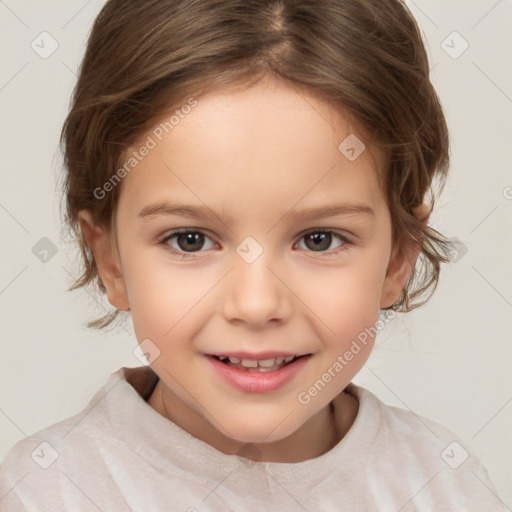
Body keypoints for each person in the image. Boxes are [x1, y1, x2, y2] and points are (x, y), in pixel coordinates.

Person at [0, 0, 506, 510]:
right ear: (111, 261)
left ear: (398, 258)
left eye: (319, 239)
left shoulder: (445, 485)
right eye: (190, 240)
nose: (257, 304)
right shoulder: (50, 491)